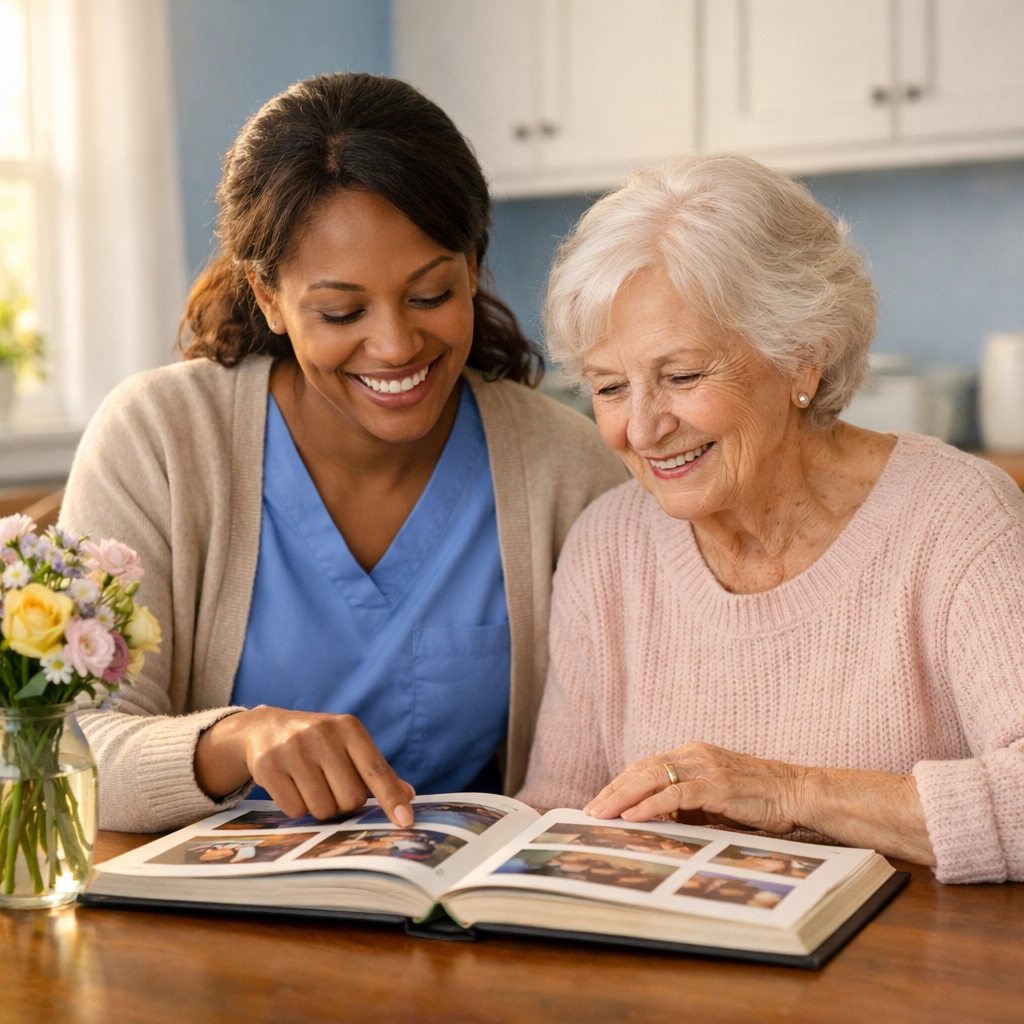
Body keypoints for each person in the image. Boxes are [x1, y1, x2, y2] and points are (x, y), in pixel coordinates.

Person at [61, 73, 625, 833]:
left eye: (430, 295)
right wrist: (232, 741)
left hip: (462, 923)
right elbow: (70, 748)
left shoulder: (566, 466)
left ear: (472, 266)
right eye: (341, 311)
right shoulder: (159, 440)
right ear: (267, 298)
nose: (396, 345)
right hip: (207, 928)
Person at [518, 154, 1024, 884]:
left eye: (682, 376)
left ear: (803, 359)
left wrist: (792, 793)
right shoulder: (609, 545)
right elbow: (561, 817)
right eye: (607, 387)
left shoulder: (957, 519)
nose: (643, 427)